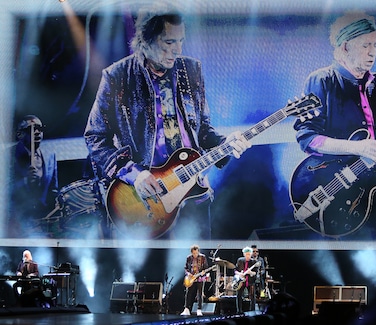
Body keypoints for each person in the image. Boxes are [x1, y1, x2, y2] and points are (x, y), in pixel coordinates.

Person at [83, 8, 251, 240]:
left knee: (200, 272)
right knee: (149, 276)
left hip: (194, 197)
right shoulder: (118, 76)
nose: (178, 50)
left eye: (181, 41)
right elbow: (95, 138)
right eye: (169, 42)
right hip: (144, 202)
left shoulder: (191, 70)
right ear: (146, 40)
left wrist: (226, 143)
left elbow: (202, 131)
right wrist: (135, 174)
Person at [293, 11, 376, 240]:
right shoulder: (321, 81)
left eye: (375, 44)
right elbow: (307, 138)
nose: (373, 52)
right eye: (366, 45)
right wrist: (357, 147)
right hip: (348, 202)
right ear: (345, 47)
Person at [9, 115, 59, 238]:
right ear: (20, 134)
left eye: (39, 128)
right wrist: (25, 182)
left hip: (42, 217)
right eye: (31, 129)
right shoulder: (8, 156)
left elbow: (53, 188)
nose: (37, 132)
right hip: (16, 219)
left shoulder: (49, 155)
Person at [181, 244, 210, 316]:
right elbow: (186, 268)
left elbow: (206, 267)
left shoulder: (202, 257)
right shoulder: (189, 258)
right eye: (194, 253)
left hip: (199, 278)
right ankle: (186, 309)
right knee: (188, 293)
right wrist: (188, 274)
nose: (195, 254)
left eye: (196, 253)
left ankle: (199, 309)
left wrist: (204, 272)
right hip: (191, 278)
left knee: (199, 294)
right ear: (191, 252)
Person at [234, 246, 259, 313]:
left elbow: (255, 273)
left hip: (250, 281)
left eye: (249, 254)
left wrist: (250, 272)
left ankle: (252, 311)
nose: (248, 255)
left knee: (252, 297)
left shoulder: (254, 262)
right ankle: (239, 311)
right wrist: (239, 274)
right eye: (246, 254)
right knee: (239, 295)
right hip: (241, 281)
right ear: (244, 254)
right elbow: (235, 270)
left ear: (251, 254)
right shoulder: (240, 260)